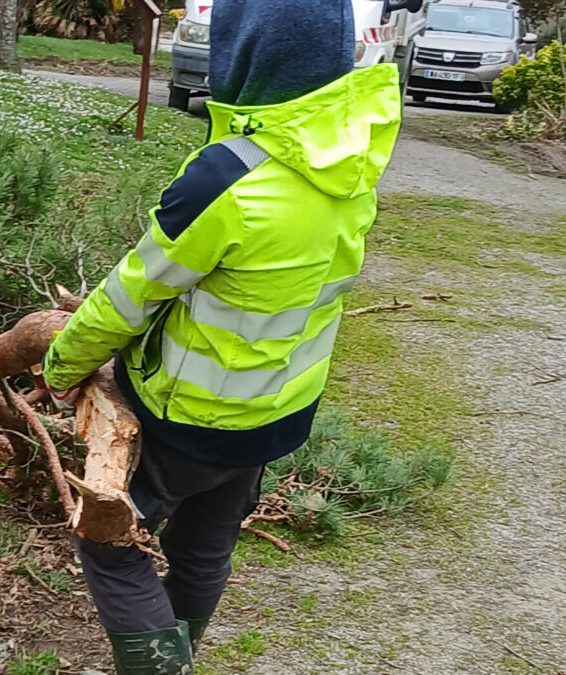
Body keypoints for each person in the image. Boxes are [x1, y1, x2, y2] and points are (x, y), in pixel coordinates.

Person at [41, 0, 403, 672]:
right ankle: (177, 652)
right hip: (277, 413)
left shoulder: (226, 176)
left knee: (107, 544)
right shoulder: (355, 160)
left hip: (192, 420)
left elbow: (128, 296)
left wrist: (63, 362)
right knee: (205, 548)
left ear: (241, 58)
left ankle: (161, 666)